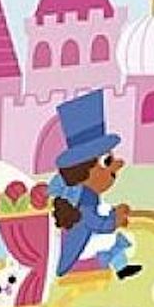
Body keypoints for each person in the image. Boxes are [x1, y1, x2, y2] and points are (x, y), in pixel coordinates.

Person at [46, 91, 140, 279]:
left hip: (89, 235)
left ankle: (119, 267)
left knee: (113, 237)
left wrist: (115, 214)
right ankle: (117, 267)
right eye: (107, 161)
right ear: (84, 170)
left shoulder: (86, 194)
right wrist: (114, 220)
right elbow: (94, 223)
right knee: (112, 240)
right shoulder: (85, 198)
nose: (117, 165)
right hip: (85, 244)